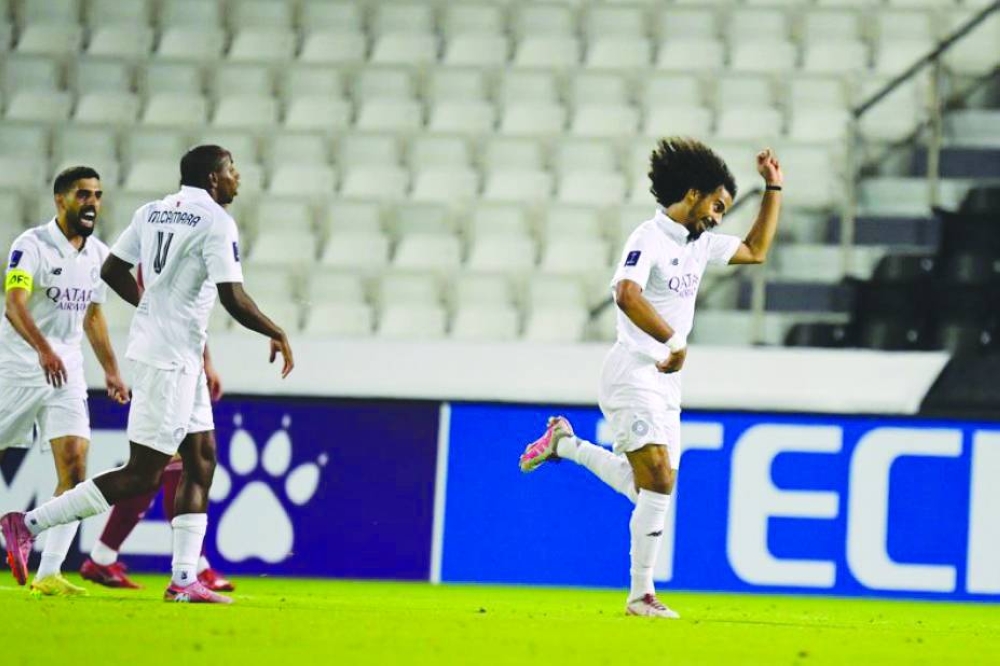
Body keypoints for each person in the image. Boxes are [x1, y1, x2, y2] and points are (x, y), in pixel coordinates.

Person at [2, 145, 295, 604]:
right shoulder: (216, 222)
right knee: (143, 474)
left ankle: (183, 580)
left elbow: (112, 268)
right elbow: (233, 297)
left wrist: (151, 308)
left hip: (178, 355)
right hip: (168, 361)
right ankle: (28, 525)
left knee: (201, 458)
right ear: (214, 178)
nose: (238, 177)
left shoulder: (153, 212)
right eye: (232, 170)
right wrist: (275, 331)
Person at [519, 138, 783, 618]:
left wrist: (774, 187)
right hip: (633, 372)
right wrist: (674, 342)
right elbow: (625, 293)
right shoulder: (650, 237)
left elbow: (756, 249)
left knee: (649, 492)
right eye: (717, 206)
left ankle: (564, 444)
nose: (718, 218)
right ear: (692, 193)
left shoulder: (698, 244)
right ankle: (641, 595)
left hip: (665, 382)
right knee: (659, 480)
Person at [0, 166, 129, 597]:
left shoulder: (97, 256)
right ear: (60, 200)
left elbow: (93, 316)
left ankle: (49, 573)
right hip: (19, 365)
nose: (92, 202)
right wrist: (42, 348)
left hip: (66, 369)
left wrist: (110, 369)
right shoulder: (31, 245)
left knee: (75, 465)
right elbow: (13, 306)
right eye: (82, 194)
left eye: (97, 194)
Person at [80, 346, 234, 592]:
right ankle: (196, 567)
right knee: (176, 467)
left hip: (178, 372)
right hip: (165, 374)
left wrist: (206, 362)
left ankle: (102, 558)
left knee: (150, 474)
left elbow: (194, 322)